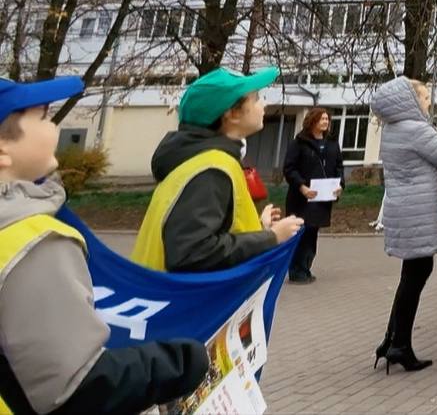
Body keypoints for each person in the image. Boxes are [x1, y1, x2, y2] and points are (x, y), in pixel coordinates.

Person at [0, 77, 210, 415]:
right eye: (42, 117)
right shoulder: (33, 242)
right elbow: (77, 388)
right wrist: (181, 363)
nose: (54, 127)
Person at [132, 66, 303, 273]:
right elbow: (191, 252)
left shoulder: (198, 160)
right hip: (179, 293)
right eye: (256, 98)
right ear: (232, 114)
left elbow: (206, 234)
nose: (263, 104)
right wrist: (271, 238)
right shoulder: (212, 169)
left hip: (158, 289)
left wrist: (260, 228)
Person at [370, 78, 437, 374]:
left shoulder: (397, 128)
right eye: (425, 97)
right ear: (411, 100)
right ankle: (400, 346)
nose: (429, 101)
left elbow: (435, 144)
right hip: (419, 211)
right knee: (416, 275)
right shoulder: (415, 129)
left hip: (405, 211)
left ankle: (391, 340)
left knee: (410, 275)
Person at [281, 107, 344, 284]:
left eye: (327, 119)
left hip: (322, 197)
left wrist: (339, 185)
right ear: (312, 121)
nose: (325, 122)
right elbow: (289, 168)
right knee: (300, 232)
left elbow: (339, 166)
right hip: (302, 198)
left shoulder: (332, 143)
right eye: (322, 119)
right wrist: (302, 186)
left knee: (312, 233)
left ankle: (305, 268)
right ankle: (296, 271)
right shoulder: (299, 143)